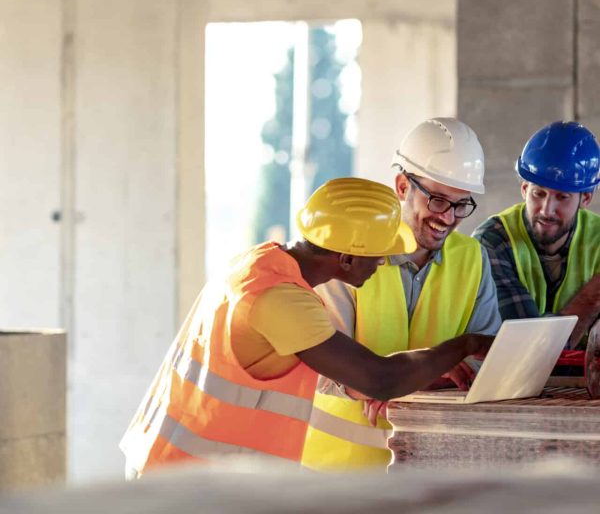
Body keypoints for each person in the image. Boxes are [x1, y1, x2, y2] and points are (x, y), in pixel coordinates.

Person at [119, 177, 493, 477]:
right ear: (346, 257)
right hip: (185, 480)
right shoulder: (281, 301)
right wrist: (466, 344)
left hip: (185, 470)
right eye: (379, 253)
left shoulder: (262, 262)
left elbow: (359, 375)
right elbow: (378, 379)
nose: (383, 263)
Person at [301, 119, 501, 472]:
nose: (448, 217)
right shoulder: (347, 251)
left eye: (461, 205)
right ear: (402, 186)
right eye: (438, 200)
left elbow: (485, 361)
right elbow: (327, 371)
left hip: (431, 467)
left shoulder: (472, 258)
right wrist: (434, 368)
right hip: (340, 471)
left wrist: (409, 379)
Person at [474, 121, 600, 349]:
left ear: (586, 199)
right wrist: (592, 297)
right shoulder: (491, 241)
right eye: (538, 193)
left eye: (562, 197)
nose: (546, 210)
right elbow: (526, 347)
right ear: (524, 189)